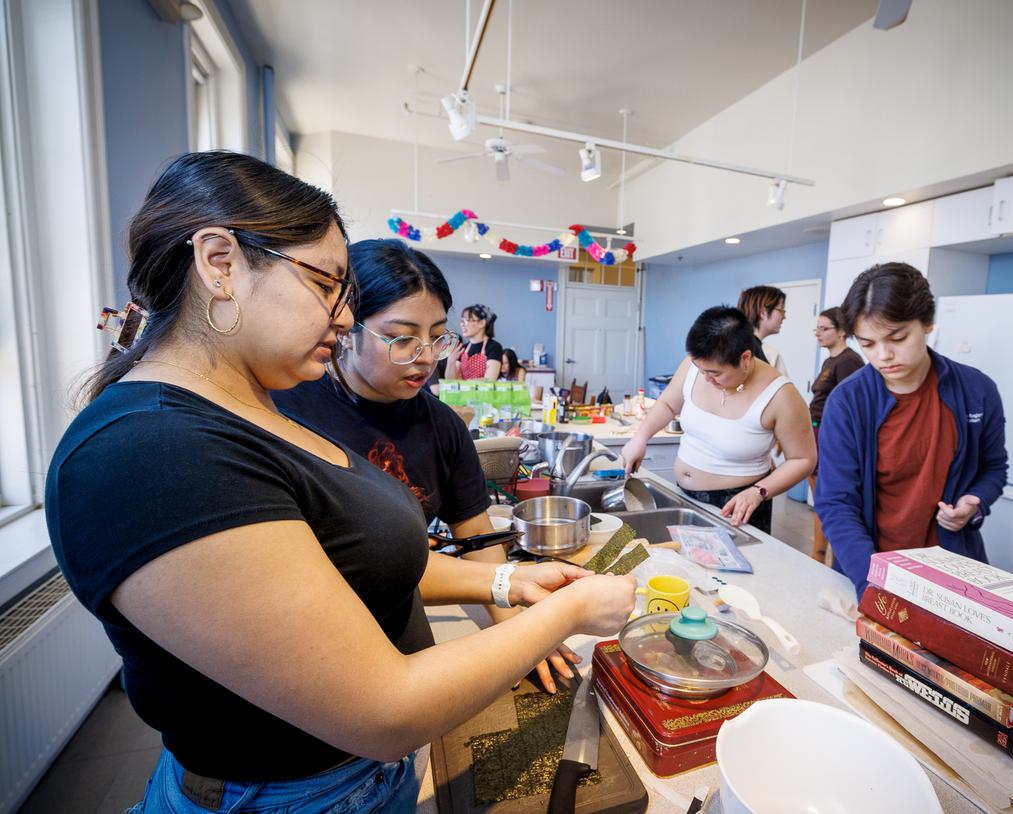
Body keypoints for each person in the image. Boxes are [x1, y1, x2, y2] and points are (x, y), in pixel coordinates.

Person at [44, 152, 636, 813]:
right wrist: (570, 613)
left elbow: (353, 560)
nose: (345, 318)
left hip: (357, 782)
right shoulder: (150, 453)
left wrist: (504, 580)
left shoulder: (249, 406)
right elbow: (386, 710)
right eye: (326, 284)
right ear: (220, 263)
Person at [273, 240, 577, 693]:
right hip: (307, 660)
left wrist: (518, 633)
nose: (427, 357)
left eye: (438, 336)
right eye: (401, 339)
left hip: (405, 651)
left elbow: (475, 536)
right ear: (346, 328)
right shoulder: (287, 409)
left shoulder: (441, 425)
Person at [815, 263, 1008, 598]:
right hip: (868, 569)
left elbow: (994, 468)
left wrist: (975, 502)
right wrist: (873, 583)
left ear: (928, 322)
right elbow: (835, 503)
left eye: (898, 338)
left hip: (953, 569)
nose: (884, 355)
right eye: (868, 344)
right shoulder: (848, 401)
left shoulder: (976, 390)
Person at [620, 306, 816, 535]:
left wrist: (758, 491)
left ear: (745, 358)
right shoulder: (696, 365)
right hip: (685, 496)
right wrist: (640, 438)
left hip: (737, 506)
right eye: (699, 369)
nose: (705, 378)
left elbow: (803, 459)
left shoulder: (781, 396)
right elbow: (668, 404)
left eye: (714, 373)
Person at [807, 306, 865, 565]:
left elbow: (852, 408)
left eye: (824, 328)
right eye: (817, 328)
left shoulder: (849, 361)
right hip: (816, 430)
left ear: (842, 332)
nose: (818, 333)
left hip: (829, 436)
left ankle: (824, 558)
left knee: (826, 500)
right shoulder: (830, 360)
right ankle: (818, 555)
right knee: (819, 496)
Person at [737, 285, 789, 376]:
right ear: (762, 313)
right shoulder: (750, 348)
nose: (784, 317)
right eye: (781, 311)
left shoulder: (747, 343)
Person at [446, 303, 502, 380]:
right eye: (462, 321)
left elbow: (489, 380)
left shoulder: (494, 347)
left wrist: (463, 383)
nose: (462, 324)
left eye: (467, 320)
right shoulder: (462, 348)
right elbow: (450, 380)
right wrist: (451, 361)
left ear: (482, 323)